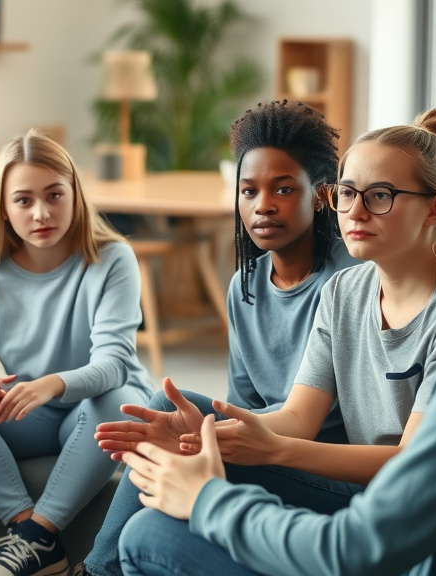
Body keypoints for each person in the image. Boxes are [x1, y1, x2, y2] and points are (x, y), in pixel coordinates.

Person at [115, 18, 436, 576]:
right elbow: (298, 418)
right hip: (390, 524)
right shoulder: (347, 290)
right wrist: (231, 435)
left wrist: (213, 494)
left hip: (393, 536)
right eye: (347, 193)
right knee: (156, 491)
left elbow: (359, 544)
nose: (353, 210)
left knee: (149, 538)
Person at [77, 101, 359, 576]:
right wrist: (204, 432)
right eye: (248, 191)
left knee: (177, 414)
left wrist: (205, 431)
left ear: (319, 196)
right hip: (266, 460)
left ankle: (95, 570)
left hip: (329, 473)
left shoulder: (350, 282)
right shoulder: (244, 287)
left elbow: (321, 419)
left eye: (284, 189)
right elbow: (239, 403)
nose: (262, 204)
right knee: (174, 414)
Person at [0, 130, 152, 576]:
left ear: (75, 193)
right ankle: (32, 536)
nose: (41, 213)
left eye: (55, 194)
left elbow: (114, 363)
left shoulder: (113, 258)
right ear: (3, 207)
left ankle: (40, 530)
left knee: (119, 401)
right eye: (23, 200)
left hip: (91, 406)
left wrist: (53, 384)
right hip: (29, 413)